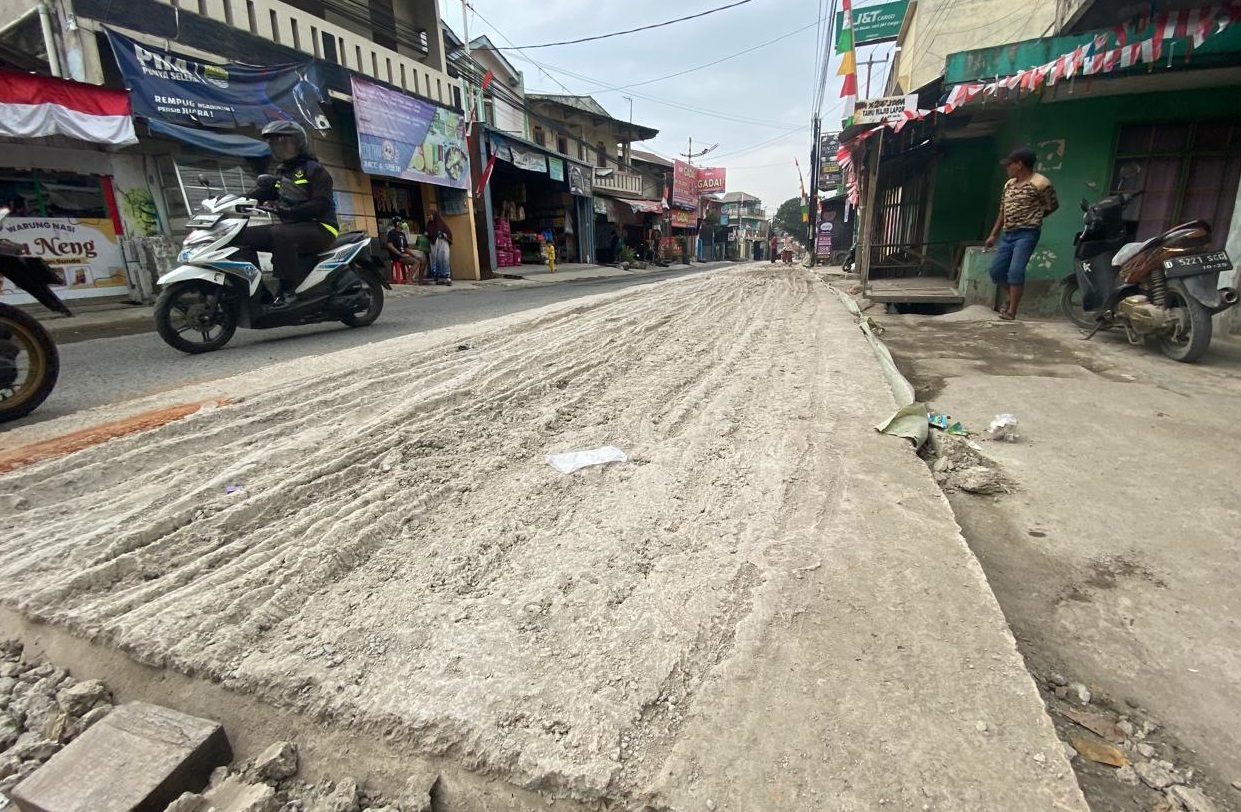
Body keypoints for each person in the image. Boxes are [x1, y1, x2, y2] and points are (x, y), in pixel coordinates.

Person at [242, 120, 339, 308]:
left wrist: (290, 211)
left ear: (298, 143)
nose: (277, 147)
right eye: (273, 143)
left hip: (321, 227)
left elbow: (321, 203)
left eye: (282, 141)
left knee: (280, 234)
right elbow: (261, 193)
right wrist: (230, 200)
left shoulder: (314, 170)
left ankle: (288, 291)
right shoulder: (282, 172)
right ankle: (260, 293)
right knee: (242, 237)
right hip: (293, 227)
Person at [985, 146, 1059, 320]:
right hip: (1008, 234)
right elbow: (1003, 210)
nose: (1007, 168)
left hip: (1027, 233)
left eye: (1009, 165)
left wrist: (1034, 217)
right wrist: (993, 234)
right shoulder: (1009, 185)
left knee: (1015, 272)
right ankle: (1012, 296)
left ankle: (1012, 311)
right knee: (996, 272)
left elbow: (1052, 206)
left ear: (1019, 165)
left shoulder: (1040, 183)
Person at [426, 206, 453, 286]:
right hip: (435, 245)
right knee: (436, 259)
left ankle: (447, 277)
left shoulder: (441, 223)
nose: (428, 217)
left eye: (429, 215)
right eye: (427, 216)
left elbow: (448, 233)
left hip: (443, 244)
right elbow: (429, 232)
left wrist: (443, 235)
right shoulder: (429, 224)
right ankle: (439, 278)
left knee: (444, 258)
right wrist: (427, 234)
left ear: (434, 215)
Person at [384, 216, 416, 284]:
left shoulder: (402, 234)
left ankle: (420, 280)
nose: (404, 223)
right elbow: (389, 245)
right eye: (402, 222)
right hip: (396, 256)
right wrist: (400, 254)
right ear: (398, 223)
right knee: (416, 262)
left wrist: (414, 255)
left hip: (403, 254)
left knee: (421, 260)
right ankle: (408, 280)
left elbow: (406, 248)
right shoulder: (392, 233)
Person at [407, 220, 431, 285]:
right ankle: (409, 279)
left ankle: (420, 279)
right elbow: (406, 248)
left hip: (415, 251)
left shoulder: (421, 235)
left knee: (424, 261)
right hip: (404, 254)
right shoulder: (402, 235)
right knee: (417, 262)